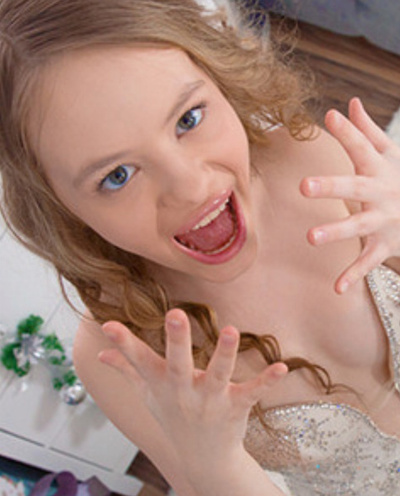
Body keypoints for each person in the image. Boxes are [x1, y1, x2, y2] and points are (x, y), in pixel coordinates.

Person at [1, 1, 400, 494]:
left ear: (217, 75)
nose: (190, 187)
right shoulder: (120, 356)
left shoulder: (308, 159)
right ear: (57, 207)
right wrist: (213, 462)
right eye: (117, 176)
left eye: (188, 119)